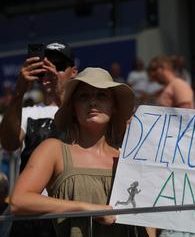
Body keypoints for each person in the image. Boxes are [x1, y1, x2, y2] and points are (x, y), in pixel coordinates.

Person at [10, 67, 149, 237]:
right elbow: (18, 201)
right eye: (84, 96)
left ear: (114, 107)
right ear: (73, 108)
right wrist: (85, 208)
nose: (92, 102)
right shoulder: (53, 150)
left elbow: (147, 218)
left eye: (101, 95)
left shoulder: (128, 158)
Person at [0, 42, 77, 237]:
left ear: (73, 72)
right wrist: (19, 91)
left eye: (59, 67)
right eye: (44, 67)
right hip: (30, 217)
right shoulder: (27, 113)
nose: (51, 72)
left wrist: (61, 92)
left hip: (71, 211)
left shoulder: (82, 111)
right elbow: (9, 144)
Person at [148, 56, 195, 237]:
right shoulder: (171, 87)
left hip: (180, 149)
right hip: (172, 149)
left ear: (162, 68)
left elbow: (186, 116)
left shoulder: (178, 85)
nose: (152, 77)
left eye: (153, 71)